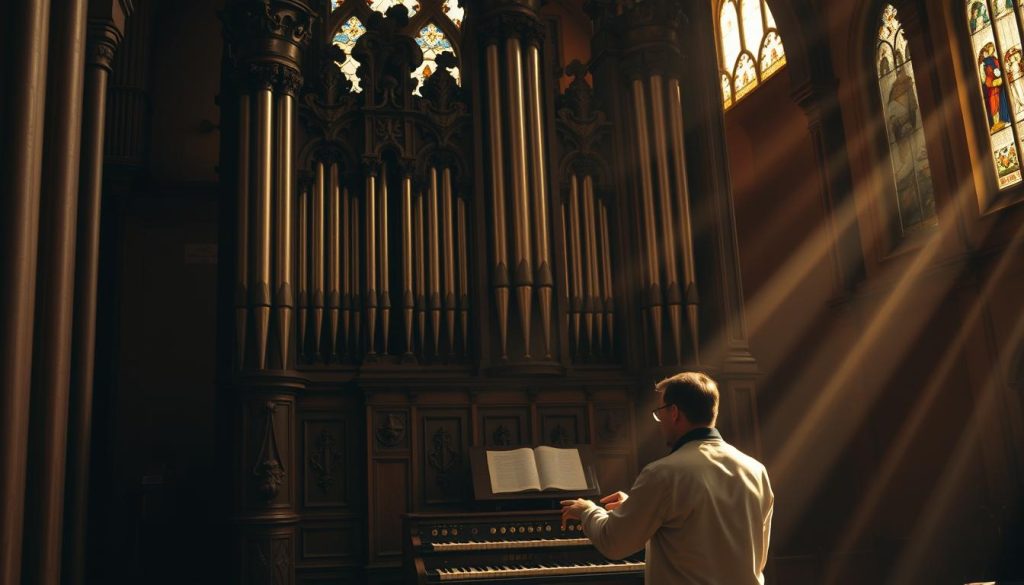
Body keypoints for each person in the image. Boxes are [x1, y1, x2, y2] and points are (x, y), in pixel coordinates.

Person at [560, 371, 774, 584]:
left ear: (674, 412)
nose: (659, 419)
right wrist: (634, 507)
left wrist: (588, 511)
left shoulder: (662, 473)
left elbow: (614, 542)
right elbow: (755, 555)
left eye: (659, 411)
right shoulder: (755, 470)